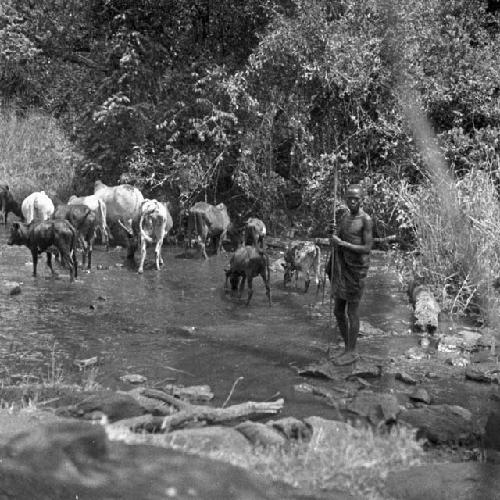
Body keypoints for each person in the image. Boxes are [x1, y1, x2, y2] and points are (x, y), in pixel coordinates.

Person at [329, 184, 373, 365]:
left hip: (357, 271)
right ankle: (348, 347)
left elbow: (367, 248)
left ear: (362, 200)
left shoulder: (366, 220)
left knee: (352, 311)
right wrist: (330, 234)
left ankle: (352, 351)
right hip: (342, 268)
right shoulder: (345, 217)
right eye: (349, 199)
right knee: (338, 310)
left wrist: (343, 245)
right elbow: (335, 239)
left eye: (355, 199)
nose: (352, 202)